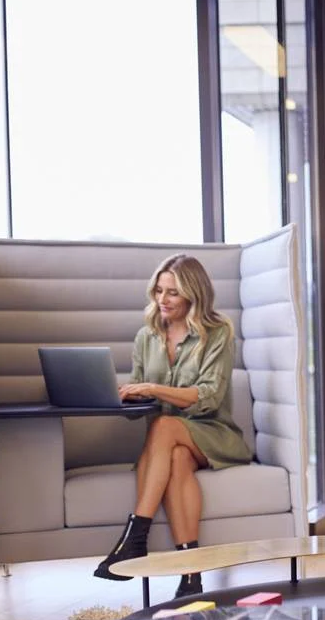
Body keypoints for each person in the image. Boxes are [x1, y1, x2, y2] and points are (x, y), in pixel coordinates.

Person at [93, 254, 252, 597]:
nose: (161, 300)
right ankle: (191, 576)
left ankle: (136, 537)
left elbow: (209, 397)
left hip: (214, 433)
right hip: (171, 443)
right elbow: (142, 400)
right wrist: (126, 396)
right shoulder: (146, 336)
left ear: (193, 296)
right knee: (176, 455)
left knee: (165, 427)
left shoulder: (218, 332)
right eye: (158, 291)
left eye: (172, 293)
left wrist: (152, 388)